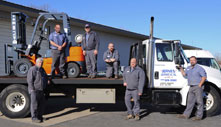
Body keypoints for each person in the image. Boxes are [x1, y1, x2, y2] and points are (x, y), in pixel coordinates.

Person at [177, 56, 207, 121]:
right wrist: (181, 69)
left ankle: (199, 117)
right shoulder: (188, 68)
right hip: (191, 87)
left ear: (196, 61)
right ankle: (186, 115)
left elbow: (204, 77)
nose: (192, 61)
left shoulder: (199, 68)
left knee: (199, 102)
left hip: (198, 87)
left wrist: (200, 85)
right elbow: (184, 74)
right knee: (190, 102)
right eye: (190, 60)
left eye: (193, 60)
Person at [27, 58, 50, 123]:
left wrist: (47, 80)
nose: (41, 64)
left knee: (41, 104)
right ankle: (34, 118)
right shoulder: (33, 69)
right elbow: (30, 80)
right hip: (35, 90)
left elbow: (45, 76)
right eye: (39, 62)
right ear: (36, 63)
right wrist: (32, 89)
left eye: (42, 63)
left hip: (41, 90)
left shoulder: (42, 69)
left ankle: (40, 116)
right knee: (34, 105)